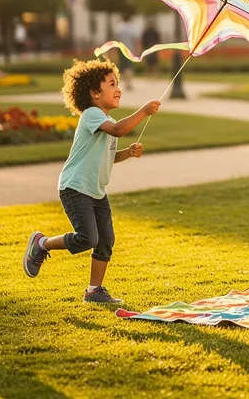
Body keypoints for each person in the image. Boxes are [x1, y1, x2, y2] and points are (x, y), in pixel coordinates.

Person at [22, 60, 160, 304]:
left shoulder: (106, 120)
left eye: (117, 84)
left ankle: (94, 290)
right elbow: (117, 130)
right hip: (75, 188)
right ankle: (41, 243)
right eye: (111, 84)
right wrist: (143, 111)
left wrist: (127, 152)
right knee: (88, 238)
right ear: (95, 93)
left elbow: (109, 155)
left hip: (96, 191)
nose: (118, 88)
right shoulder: (93, 115)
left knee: (106, 240)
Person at [115, 15, 141, 90]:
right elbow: (135, 39)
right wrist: (137, 49)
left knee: (123, 66)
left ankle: (126, 82)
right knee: (129, 66)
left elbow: (116, 40)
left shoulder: (119, 28)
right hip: (130, 49)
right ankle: (129, 82)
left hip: (121, 49)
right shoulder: (132, 28)